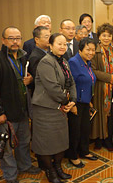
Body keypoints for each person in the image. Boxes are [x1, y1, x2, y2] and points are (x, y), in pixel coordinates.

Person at [0, 26, 40, 183]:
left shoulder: (23, 57)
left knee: (23, 141)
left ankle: (24, 165)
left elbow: (26, 78)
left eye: (18, 38)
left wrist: (30, 80)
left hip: (22, 109)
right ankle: (10, 175)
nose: (15, 41)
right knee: (7, 147)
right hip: (6, 112)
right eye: (11, 38)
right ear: (3, 40)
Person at [31, 33, 76, 183]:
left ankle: (58, 167)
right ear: (50, 45)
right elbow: (52, 88)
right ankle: (50, 171)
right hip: (45, 109)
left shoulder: (64, 62)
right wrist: (66, 101)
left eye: (64, 44)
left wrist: (73, 101)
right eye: (59, 44)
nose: (63, 47)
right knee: (46, 143)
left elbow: (72, 82)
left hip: (61, 108)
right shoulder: (46, 62)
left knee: (60, 141)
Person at [67, 37, 97, 168]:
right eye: (88, 49)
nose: (91, 52)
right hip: (76, 103)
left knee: (85, 129)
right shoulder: (73, 62)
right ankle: (72, 156)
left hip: (85, 101)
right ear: (80, 49)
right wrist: (72, 103)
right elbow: (70, 84)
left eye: (93, 50)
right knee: (75, 130)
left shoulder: (87, 62)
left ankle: (84, 151)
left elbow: (88, 81)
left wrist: (89, 100)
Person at [91, 23, 113, 152]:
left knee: (110, 115)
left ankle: (108, 139)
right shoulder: (94, 52)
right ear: (99, 36)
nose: (106, 38)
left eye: (109, 36)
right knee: (99, 114)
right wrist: (108, 77)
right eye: (104, 35)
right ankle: (98, 139)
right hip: (98, 87)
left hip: (112, 89)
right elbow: (93, 70)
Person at [28, 26, 50, 95]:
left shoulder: (49, 53)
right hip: (43, 95)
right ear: (37, 39)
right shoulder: (35, 57)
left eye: (50, 36)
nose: (50, 39)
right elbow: (39, 80)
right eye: (46, 37)